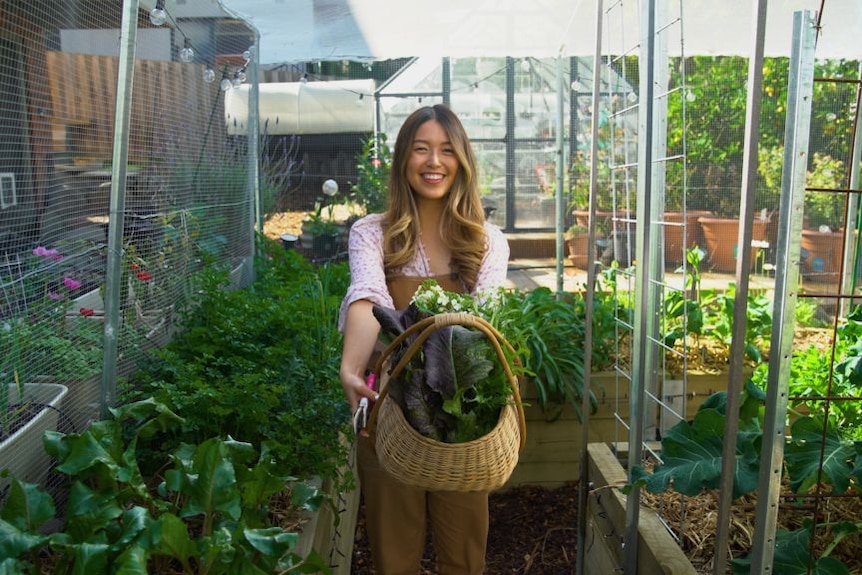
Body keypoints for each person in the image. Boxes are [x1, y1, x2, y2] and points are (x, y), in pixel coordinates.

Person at [338, 104, 510, 574]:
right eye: (421, 149)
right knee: (394, 546)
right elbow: (368, 296)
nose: (434, 162)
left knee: (464, 546)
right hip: (389, 402)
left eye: (446, 150)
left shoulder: (486, 241)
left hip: (462, 419)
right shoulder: (372, 233)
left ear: (462, 161)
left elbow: (484, 324)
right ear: (402, 160)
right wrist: (353, 367)